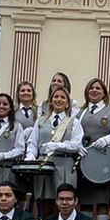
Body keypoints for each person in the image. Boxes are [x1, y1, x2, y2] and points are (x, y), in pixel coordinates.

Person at [72, 78, 110, 210]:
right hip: (85, 161)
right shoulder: (79, 112)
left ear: (104, 93)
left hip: (105, 160)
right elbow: (72, 132)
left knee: (104, 201)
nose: (94, 90)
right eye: (91, 88)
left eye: (98, 88)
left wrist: (106, 140)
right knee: (85, 201)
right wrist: (77, 146)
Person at [31, 84, 80, 212]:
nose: (59, 99)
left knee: (64, 205)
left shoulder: (74, 122)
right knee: (45, 205)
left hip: (64, 166)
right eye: (56, 97)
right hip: (45, 165)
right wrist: (30, 157)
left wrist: (57, 145)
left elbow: (76, 145)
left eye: (63, 97)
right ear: (51, 101)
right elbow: (33, 142)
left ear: (68, 103)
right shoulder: (41, 121)